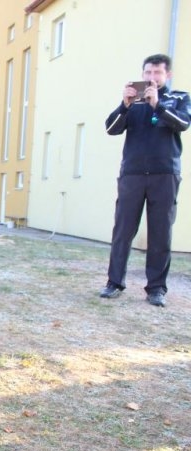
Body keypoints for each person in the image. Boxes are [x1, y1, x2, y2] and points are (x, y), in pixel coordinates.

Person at [100, 53, 190, 307]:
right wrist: (125, 105)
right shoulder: (133, 102)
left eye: (157, 73)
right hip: (133, 175)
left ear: (167, 75)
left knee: (160, 234)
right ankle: (114, 283)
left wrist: (158, 105)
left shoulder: (178, 98)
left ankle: (156, 289)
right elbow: (111, 128)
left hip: (165, 175)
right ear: (142, 74)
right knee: (123, 231)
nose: (152, 78)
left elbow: (183, 124)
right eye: (148, 73)